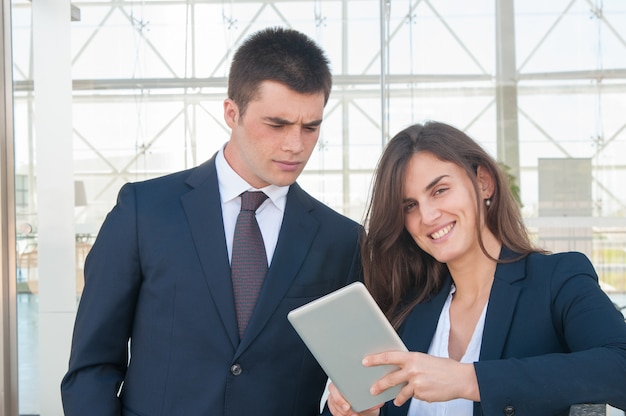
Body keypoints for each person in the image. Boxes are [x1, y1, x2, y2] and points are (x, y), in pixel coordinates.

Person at [61, 27, 363, 416]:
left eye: (310, 127)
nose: (295, 145)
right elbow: (91, 367)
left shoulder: (341, 240)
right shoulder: (143, 212)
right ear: (231, 113)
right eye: (277, 124)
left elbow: (351, 385)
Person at [326, 121, 626, 416]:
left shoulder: (556, 280)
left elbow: (620, 367)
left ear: (483, 182)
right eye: (409, 206)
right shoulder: (406, 307)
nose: (428, 215)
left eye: (440, 190)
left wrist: (469, 379)